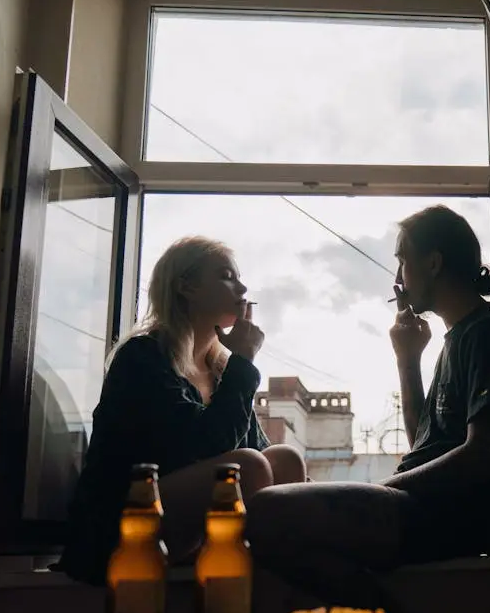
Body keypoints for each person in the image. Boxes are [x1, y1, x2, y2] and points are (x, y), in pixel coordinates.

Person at [245, 205, 490, 585]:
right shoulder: (459, 338)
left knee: (268, 510)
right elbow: (423, 442)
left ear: (433, 263)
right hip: (421, 510)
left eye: (402, 260)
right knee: (276, 508)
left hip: (445, 520)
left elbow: (483, 456)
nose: (398, 278)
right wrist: (408, 360)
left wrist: (384, 488)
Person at [57, 236, 306, 586]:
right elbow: (204, 447)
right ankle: (246, 574)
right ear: (186, 287)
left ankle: (276, 580)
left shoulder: (219, 370)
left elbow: (257, 448)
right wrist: (244, 362)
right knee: (246, 467)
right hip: (122, 528)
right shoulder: (143, 357)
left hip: (184, 518)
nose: (243, 286)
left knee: (285, 459)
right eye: (226, 276)